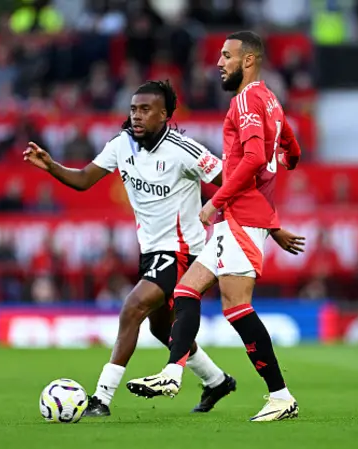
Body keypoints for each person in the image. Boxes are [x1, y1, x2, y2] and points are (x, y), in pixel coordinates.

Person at [23, 80, 304, 417]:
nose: (136, 116)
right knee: (160, 328)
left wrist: (271, 227)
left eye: (145, 110)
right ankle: (216, 381)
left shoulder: (185, 150)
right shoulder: (120, 145)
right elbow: (84, 180)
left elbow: (235, 185)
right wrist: (51, 165)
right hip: (152, 251)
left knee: (132, 307)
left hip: (184, 251)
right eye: (133, 109)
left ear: (165, 115)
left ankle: (101, 398)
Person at [126, 31, 303, 422]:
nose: (219, 62)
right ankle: (172, 373)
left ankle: (280, 396)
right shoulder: (270, 100)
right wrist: (286, 161)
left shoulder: (245, 101)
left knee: (237, 307)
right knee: (187, 290)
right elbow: (291, 147)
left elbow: (255, 157)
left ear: (249, 61)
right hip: (240, 217)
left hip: (239, 217)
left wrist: (215, 201)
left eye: (227, 56)